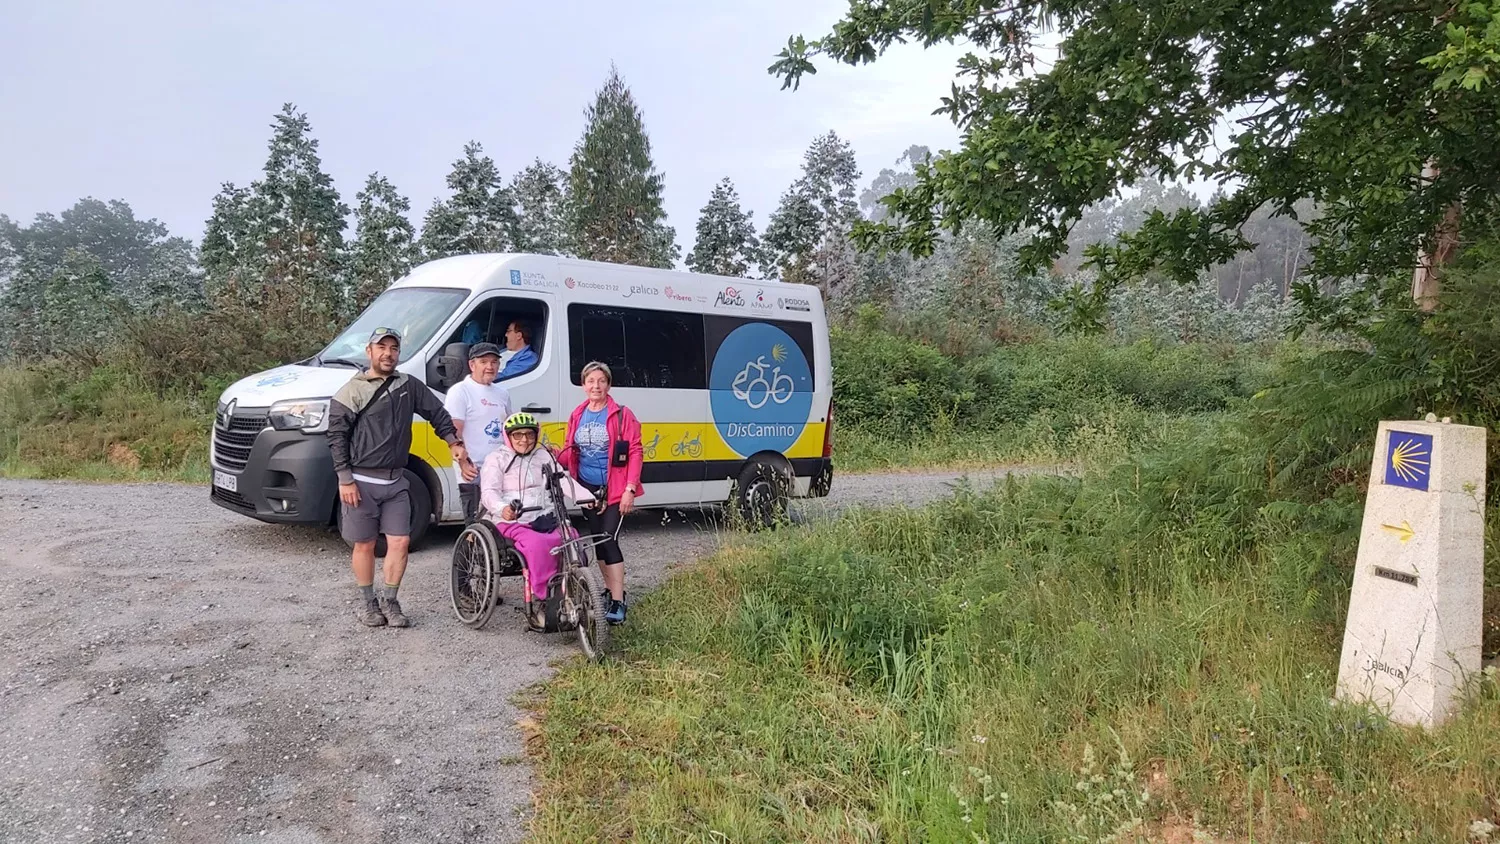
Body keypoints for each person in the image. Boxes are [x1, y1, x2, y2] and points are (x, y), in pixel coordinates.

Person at [327, 327, 467, 629]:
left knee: (401, 542)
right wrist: (344, 478)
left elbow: (437, 413)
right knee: (363, 545)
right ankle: (368, 604)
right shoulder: (352, 390)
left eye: (393, 348)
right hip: (361, 482)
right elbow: (337, 436)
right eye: (382, 347)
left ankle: (390, 600)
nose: (388, 353)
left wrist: (454, 443)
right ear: (370, 351)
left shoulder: (409, 385)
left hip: (395, 482)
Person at [479, 412, 595, 631]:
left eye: (530, 435)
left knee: (572, 538)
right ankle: (541, 599)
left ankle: (574, 590)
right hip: (514, 520)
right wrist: (502, 509)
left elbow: (564, 481)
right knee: (538, 546)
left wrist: (588, 498)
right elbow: (489, 491)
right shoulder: (497, 459)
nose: (525, 440)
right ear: (508, 436)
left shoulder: (543, 455)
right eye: (518, 435)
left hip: (545, 516)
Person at [558, 361, 643, 625]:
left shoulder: (621, 414)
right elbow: (570, 449)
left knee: (608, 538)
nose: (596, 386)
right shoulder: (577, 414)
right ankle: (607, 592)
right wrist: (550, 456)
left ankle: (618, 600)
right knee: (597, 541)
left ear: (608, 384)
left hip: (616, 490)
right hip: (587, 489)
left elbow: (635, 451)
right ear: (583, 386)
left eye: (601, 381)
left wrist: (630, 489)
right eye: (590, 381)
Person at [444, 342, 513, 520]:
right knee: (476, 525)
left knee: (499, 522)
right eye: (484, 362)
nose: (490, 367)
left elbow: (508, 430)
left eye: (494, 362)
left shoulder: (503, 394)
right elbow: (454, 432)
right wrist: (463, 463)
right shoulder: (460, 391)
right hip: (473, 470)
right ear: (472, 365)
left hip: (499, 470)